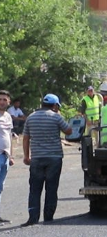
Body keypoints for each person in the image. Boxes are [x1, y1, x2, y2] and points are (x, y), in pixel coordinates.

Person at [22, 93, 72, 226]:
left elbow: (26, 138)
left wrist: (26, 156)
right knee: (51, 188)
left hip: (37, 158)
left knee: (34, 189)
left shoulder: (31, 118)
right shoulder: (56, 117)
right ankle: (48, 217)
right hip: (54, 158)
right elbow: (69, 131)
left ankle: (33, 218)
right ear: (55, 105)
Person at [0, 90, 14, 224]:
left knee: (0, 186)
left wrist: (11, 155)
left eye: (5, 99)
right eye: (0, 99)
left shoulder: (8, 117)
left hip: (4, 156)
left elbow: (9, 136)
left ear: (9, 102)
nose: (2, 102)